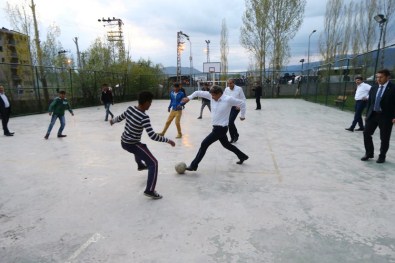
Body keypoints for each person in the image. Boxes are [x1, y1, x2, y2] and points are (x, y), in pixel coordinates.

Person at [110, 91, 175, 199]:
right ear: (145, 103)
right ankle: (149, 190)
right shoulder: (144, 117)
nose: (150, 105)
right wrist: (167, 140)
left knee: (141, 147)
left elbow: (121, 117)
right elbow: (152, 136)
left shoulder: (130, 109)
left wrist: (113, 120)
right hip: (132, 144)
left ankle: (140, 165)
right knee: (153, 163)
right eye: (150, 103)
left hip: (124, 142)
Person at [180, 85, 249, 171]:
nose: (212, 97)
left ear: (220, 93)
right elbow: (197, 93)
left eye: (214, 95)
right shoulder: (211, 96)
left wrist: (242, 115)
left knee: (204, 144)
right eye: (211, 95)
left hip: (220, 129)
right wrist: (189, 98)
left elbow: (242, 103)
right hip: (217, 128)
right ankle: (243, 156)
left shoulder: (228, 99)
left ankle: (194, 165)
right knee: (226, 145)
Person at [361, 69, 395, 163]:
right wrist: (367, 114)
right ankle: (369, 153)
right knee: (366, 133)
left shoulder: (393, 88)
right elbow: (370, 102)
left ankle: (382, 156)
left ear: (388, 77)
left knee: (384, 138)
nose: (378, 79)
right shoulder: (374, 88)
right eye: (377, 77)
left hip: (386, 117)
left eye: (381, 77)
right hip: (372, 115)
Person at [224, 78, 246, 143]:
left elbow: (243, 98)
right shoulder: (226, 89)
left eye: (230, 83)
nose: (229, 85)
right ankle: (234, 136)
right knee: (229, 123)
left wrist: (239, 106)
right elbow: (224, 97)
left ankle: (235, 136)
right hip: (228, 107)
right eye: (228, 83)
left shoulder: (239, 89)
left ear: (233, 83)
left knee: (230, 122)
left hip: (236, 107)